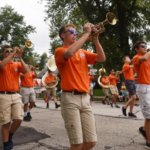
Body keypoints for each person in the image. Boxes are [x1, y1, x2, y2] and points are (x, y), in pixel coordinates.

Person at [55, 23, 106, 150]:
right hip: (70, 98)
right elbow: (70, 52)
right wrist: (87, 33)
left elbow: (102, 58)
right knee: (76, 144)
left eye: (76, 33)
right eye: (71, 31)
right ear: (63, 35)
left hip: (85, 98)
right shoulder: (59, 51)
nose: (75, 34)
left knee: (91, 142)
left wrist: (95, 39)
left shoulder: (83, 52)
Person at [0, 45, 28, 150]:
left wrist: (20, 57)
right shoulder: (1, 63)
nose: (9, 52)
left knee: (18, 119)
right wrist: (12, 54)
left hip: (15, 95)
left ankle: (10, 135)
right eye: (7, 51)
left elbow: (26, 71)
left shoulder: (16, 64)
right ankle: (6, 144)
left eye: (11, 51)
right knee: (6, 122)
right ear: (3, 53)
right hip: (3, 95)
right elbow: (2, 65)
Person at [132, 41, 150, 149]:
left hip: (149, 86)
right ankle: (149, 142)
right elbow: (143, 59)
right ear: (136, 49)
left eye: (145, 46)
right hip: (144, 87)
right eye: (142, 46)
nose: (145, 47)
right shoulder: (136, 57)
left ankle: (144, 129)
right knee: (149, 116)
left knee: (149, 115)